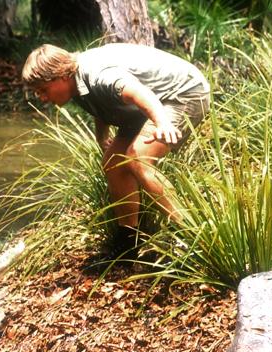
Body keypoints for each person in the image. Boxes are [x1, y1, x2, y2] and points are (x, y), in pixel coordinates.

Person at [21, 43, 210, 253]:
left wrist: (162, 123)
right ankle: (129, 243)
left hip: (183, 93)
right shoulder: (76, 81)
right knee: (113, 163)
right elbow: (100, 105)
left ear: (61, 75)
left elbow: (138, 93)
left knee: (138, 158)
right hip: (149, 104)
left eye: (43, 90)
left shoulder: (98, 75)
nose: (42, 98)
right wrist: (102, 138)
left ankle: (191, 236)